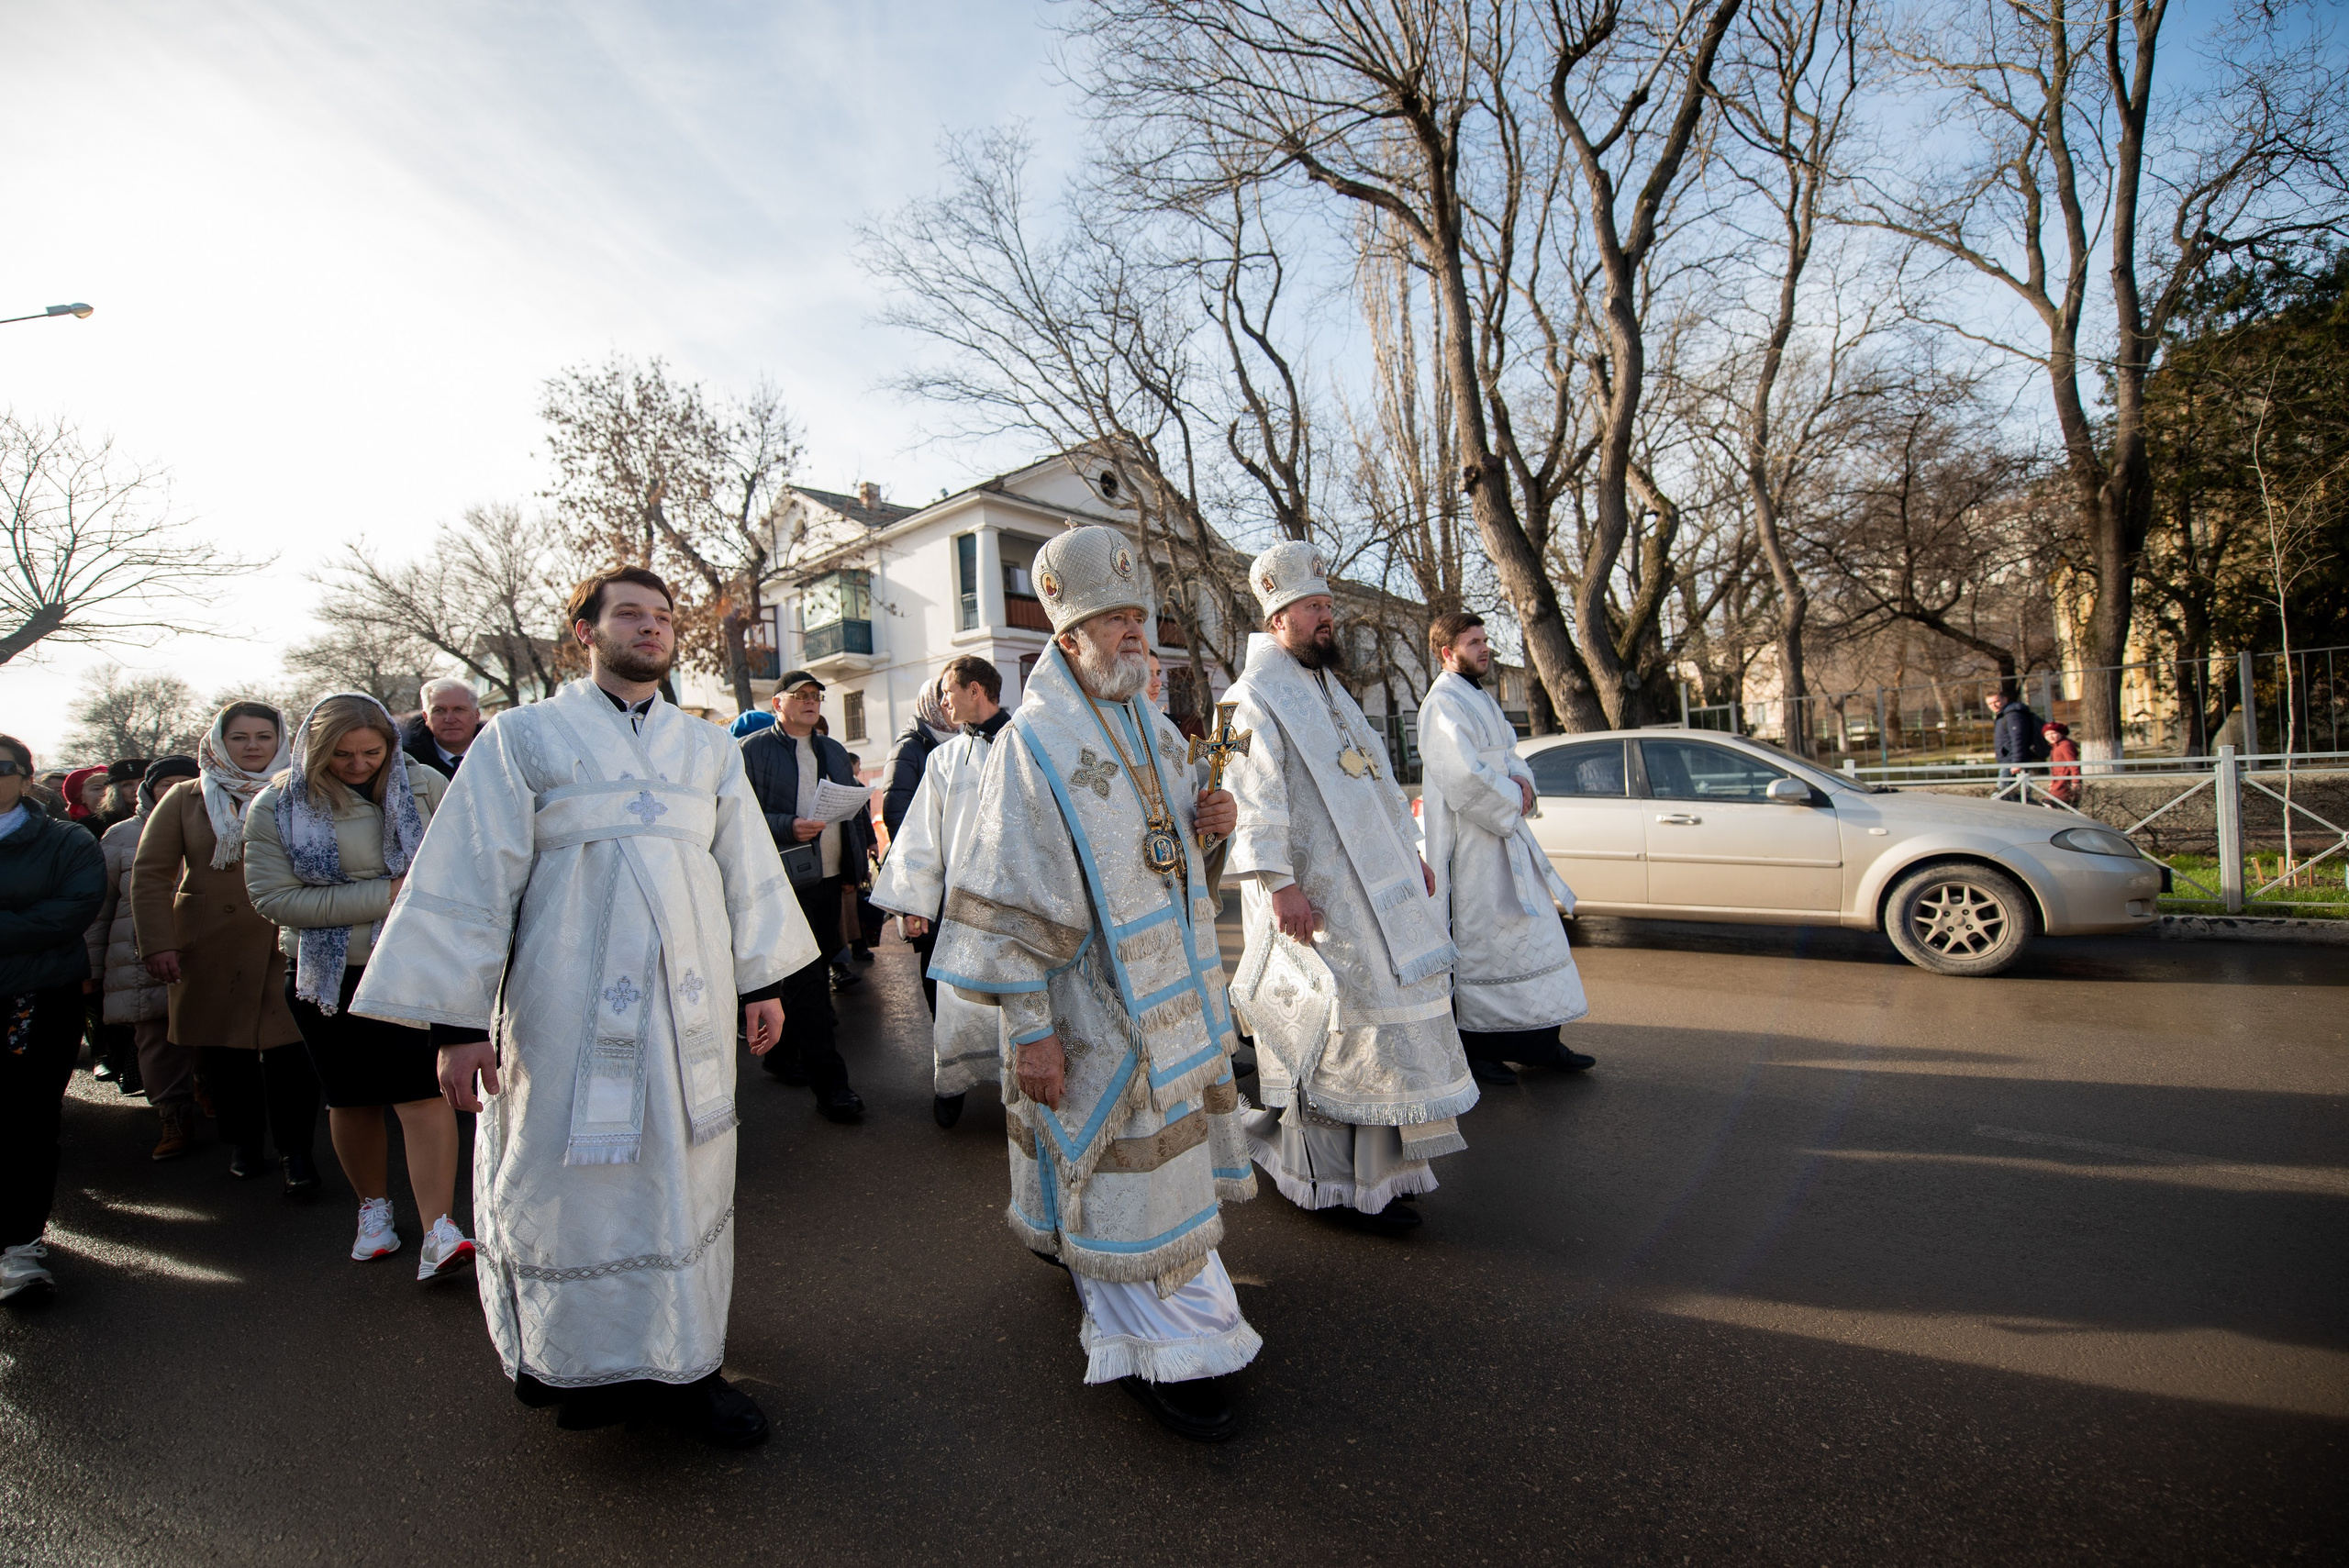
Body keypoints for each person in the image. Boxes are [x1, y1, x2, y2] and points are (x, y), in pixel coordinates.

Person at [351, 565, 814, 1446]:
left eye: (663, 617)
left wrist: (763, 981)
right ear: (584, 632)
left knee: (681, 1181)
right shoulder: (520, 739)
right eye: (630, 614)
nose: (651, 628)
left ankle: (689, 1367)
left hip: (691, 1011)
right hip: (561, 1009)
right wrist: (455, 1023)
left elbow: (744, 872)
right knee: (573, 1181)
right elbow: (471, 877)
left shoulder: (708, 747)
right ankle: (575, 1359)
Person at [928, 524, 1259, 1442]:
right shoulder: (1030, 746)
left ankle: (1155, 1299)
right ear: (1066, 639)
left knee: (1167, 1169)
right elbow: (1003, 902)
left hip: (1172, 1001)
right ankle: (1158, 1341)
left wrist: (1212, 823)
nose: (1133, 638)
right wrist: (1030, 1029)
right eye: (1112, 622)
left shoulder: (1153, 727)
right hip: (1088, 1009)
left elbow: (1172, 860)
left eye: (1138, 622)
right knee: (1121, 1176)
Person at [1222, 542, 1476, 1233]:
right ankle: (1332, 1182)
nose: (1327, 617)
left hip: (1376, 892)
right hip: (1315, 902)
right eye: (1314, 608)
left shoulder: (1332, 690)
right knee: (1332, 1036)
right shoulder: (1243, 700)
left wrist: (1410, 850)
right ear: (1279, 619)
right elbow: (1245, 793)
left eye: (1329, 605)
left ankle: (1389, 1172)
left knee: (1382, 1035)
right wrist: (1279, 885)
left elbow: (1377, 776)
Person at [244, 695, 473, 1281]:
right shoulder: (278, 803)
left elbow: (459, 865)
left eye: (372, 751)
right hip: (326, 973)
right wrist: (386, 895)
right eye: (342, 754)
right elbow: (274, 899)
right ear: (315, 750)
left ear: (391, 745)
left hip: (410, 963)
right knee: (352, 1097)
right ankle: (374, 1211)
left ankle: (439, 1230)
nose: (358, 764)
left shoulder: (423, 784)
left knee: (421, 1093)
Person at [135, 702, 321, 1195]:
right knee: (226, 1054)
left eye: (264, 736)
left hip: (287, 936)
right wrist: (158, 943)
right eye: (240, 737)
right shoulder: (184, 797)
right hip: (210, 944)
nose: (253, 746)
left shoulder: (304, 789)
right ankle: (242, 1142)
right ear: (220, 740)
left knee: (291, 1054)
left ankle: (296, 1151)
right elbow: (151, 875)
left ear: (282, 740)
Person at [1418, 614, 1593, 1086]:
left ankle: (1540, 1045)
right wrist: (1512, 795)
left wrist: (1523, 784)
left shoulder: (1481, 698)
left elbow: (1513, 756)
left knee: (1535, 937)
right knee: (1486, 950)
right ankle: (1479, 1051)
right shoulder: (1442, 704)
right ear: (1445, 652)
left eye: (1485, 640)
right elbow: (1462, 777)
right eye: (1473, 642)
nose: (1484, 648)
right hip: (1473, 848)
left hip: (1507, 834)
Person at [870, 655, 1013, 1129]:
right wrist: (915, 904)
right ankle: (952, 1085)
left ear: (976, 690)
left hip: (1020, 906)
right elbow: (922, 837)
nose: (943, 701)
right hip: (959, 907)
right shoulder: (942, 759)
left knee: (1023, 1001)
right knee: (954, 1002)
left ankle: (1026, 1090)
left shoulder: (1028, 746)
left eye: (949, 691)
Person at [1, 734, 106, 1304]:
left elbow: (68, 913)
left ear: (25, 777)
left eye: (1, 768)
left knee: (28, 1120)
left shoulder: (65, 840)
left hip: (38, 999)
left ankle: (20, 1244)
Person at [740, 671, 871, 1124]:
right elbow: (741, 813)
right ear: (778, 704)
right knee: (809, 982)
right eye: (801, 696)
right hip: (783, 881)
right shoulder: (753, 750)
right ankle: (832, 1088)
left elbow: (849, 811)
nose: (811, 702)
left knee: (805, 976)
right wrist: (787, 825)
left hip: (830, 879)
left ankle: (780, 1056)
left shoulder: (832, 750)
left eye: (817, 696)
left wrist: (855, 869)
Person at [83, 756, 202, 1158]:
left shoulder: (222, 820)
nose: (174, 790)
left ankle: (208, 1090)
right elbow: (100, 906)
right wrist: (93, 966)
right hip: (137, 950)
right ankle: (172, 1113)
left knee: (212, 1028)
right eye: (165, 783)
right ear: (149, 789)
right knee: (155, 1036)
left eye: (185, 781)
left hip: (206, 944)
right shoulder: (119, 836)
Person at [881, 676, 956, 1009]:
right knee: (935, 955)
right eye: (940, 697)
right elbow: (897, 815)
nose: (946, 704)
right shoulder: (910, 748)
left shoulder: (965, 739)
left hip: (955, 868)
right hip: (930, 871)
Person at [402, 679, 484, 778]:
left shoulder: (501, 754)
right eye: (439, 710)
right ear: (426, 717)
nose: (450, 719)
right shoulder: (405, 762)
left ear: (476, 715)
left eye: (459, 709)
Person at [1991, 688, 2050, 787]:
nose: (1994, 705)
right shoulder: (2003, 715)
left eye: (1997, 701)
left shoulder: (2013, 715)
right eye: (1990, 703)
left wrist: (2017, 762)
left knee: (2004, 793)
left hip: (2011, 761)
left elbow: (2018, 739)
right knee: (2019, 794)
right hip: (2009, 759)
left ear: (2005, 700)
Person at [2045, 722, 2081, 806]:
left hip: (2065, 781)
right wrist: (2052, 782)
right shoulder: (2055, 746)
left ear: (2061, 733)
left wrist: (2076, 781)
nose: (2050, 736)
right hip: (2058, 781)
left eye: (2053, 733)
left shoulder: (2065, 746)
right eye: (2047, 734)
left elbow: (2073, 764)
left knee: (2051, 803)